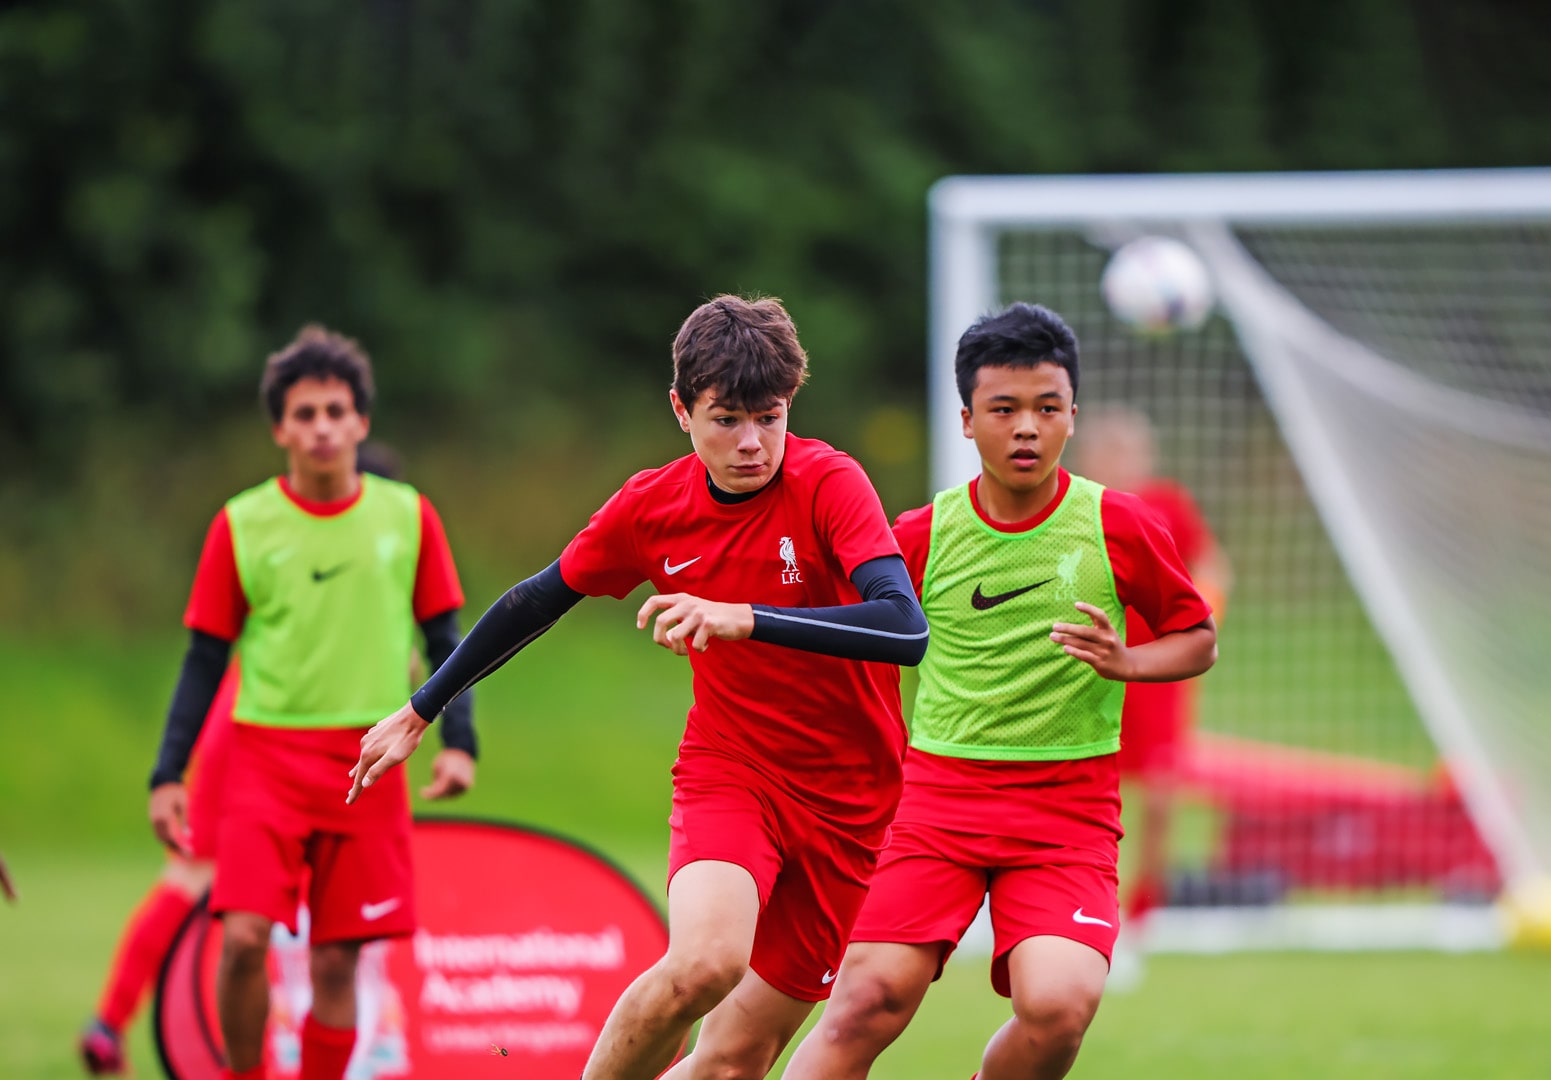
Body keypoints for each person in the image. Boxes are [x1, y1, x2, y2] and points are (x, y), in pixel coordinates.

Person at [347, 295, 929, 1080]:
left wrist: (746, 618)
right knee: (704, 965)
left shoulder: (831, 483)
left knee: (730, 1064)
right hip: (736, 772)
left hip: (852, 803)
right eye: (726, 419)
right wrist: (423, 709)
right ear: (680, 411)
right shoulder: (651, 508)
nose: (752, 443)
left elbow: (903, 626)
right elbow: (538, 598)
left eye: (770, 417)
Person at [782, 303, 1217, 1080]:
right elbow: (848, 631)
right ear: (966, 420)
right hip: (936, 800)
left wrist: (1129, 663)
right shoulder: (921, 533)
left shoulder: (1118, 525)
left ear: (1072, 417)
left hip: (1066, 804)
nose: (1026, 428)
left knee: (1057, 1006)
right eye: (1004, 409)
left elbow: (1197, 635)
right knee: (867, 998)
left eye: (1047, 408)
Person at [144, 328, 478, 1080]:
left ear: (362, 421)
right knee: (242, 940)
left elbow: (448, 635)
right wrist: (168, 773)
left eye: (336, 409)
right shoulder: (241, 523)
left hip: (369, 759)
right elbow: (204, 658)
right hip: (263, 759)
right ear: (279, 429)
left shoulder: (407, 516)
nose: (322, 426)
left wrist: (460, 740)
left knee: (336, 962)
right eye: (305, 413)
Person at [78, 441, 432, 1077]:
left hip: (238, 723)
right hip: (264, 741)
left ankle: (108, 1021)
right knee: (230, 905)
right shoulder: (368, 553)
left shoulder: (360, 542)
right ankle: (120, 1024)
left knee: (193, 883)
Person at [1073, 408, 1231, 947]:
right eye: (1108, 450)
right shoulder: (1075, 505)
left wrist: (1201, 618)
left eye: (1129, 450)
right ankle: (1087, 903)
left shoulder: (1167, 505)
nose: (1119, 460)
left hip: (1158, 672)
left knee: (1164, 791)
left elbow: (1212, 566)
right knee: (1087, 792)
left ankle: (1145, 908)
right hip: (1094, 671)